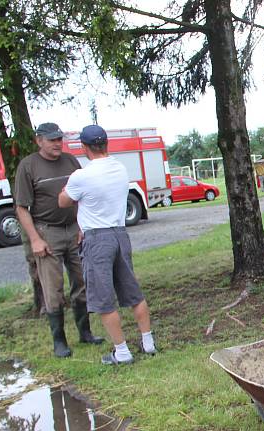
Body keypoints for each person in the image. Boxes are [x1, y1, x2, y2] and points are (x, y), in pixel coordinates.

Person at [58, 125, 157, 365]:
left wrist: (65, 190)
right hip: (120, 234)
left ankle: (121, 352)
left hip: (96, 238)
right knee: (132, 290)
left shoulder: (81, 176)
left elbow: (63, 201)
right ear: (106, 145)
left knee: (103, 297)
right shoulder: (120, 169)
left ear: (84, 147)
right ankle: (148, 342)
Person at [14, 122, 104, 357]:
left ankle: (85, 333)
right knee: (53, 289)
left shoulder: (71, 161)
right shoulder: (28, 166)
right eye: (52, 140)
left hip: (74, 229)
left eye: (59, 139)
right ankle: (60, 342)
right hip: (47, 232)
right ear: (39, 141)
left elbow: (81, 195)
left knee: (81, 282)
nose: (57, 144)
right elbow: (22, 208)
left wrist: (82, 225)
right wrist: (35, 238)